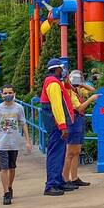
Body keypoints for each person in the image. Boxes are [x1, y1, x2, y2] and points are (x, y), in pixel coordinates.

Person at [0, 84, 31, 206]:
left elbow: (23, 123)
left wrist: (28, 141)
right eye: (5, 93)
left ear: (14, 93)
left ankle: (9, 186)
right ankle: (6, 193)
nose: (8, 95)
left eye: (10, 92)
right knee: (3, 168)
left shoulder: (19, 108)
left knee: (12, 167)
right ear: (1, 94)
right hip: (2, 142)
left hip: (14, 142)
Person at [61, 69, 99, 189]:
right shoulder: (69, 92)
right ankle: (65, 178)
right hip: (73, 121)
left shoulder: (76, 90)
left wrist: (81, 83)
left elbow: (93, 90)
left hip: (79, 121)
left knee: (76, 151)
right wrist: (91, 99)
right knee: (70, 153)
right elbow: (80, 108)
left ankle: (74, 177)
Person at [40, 57, 71, 197]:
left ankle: (58, 181)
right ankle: (51, 184)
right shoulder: (53, 83)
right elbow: (57, 106)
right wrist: (63, 126)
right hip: (56, 125)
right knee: (55, 154)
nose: (63, 71)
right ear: (57, 69)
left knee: (60, 153)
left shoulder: (55, 82)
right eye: (62, 68)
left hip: (55, 124)